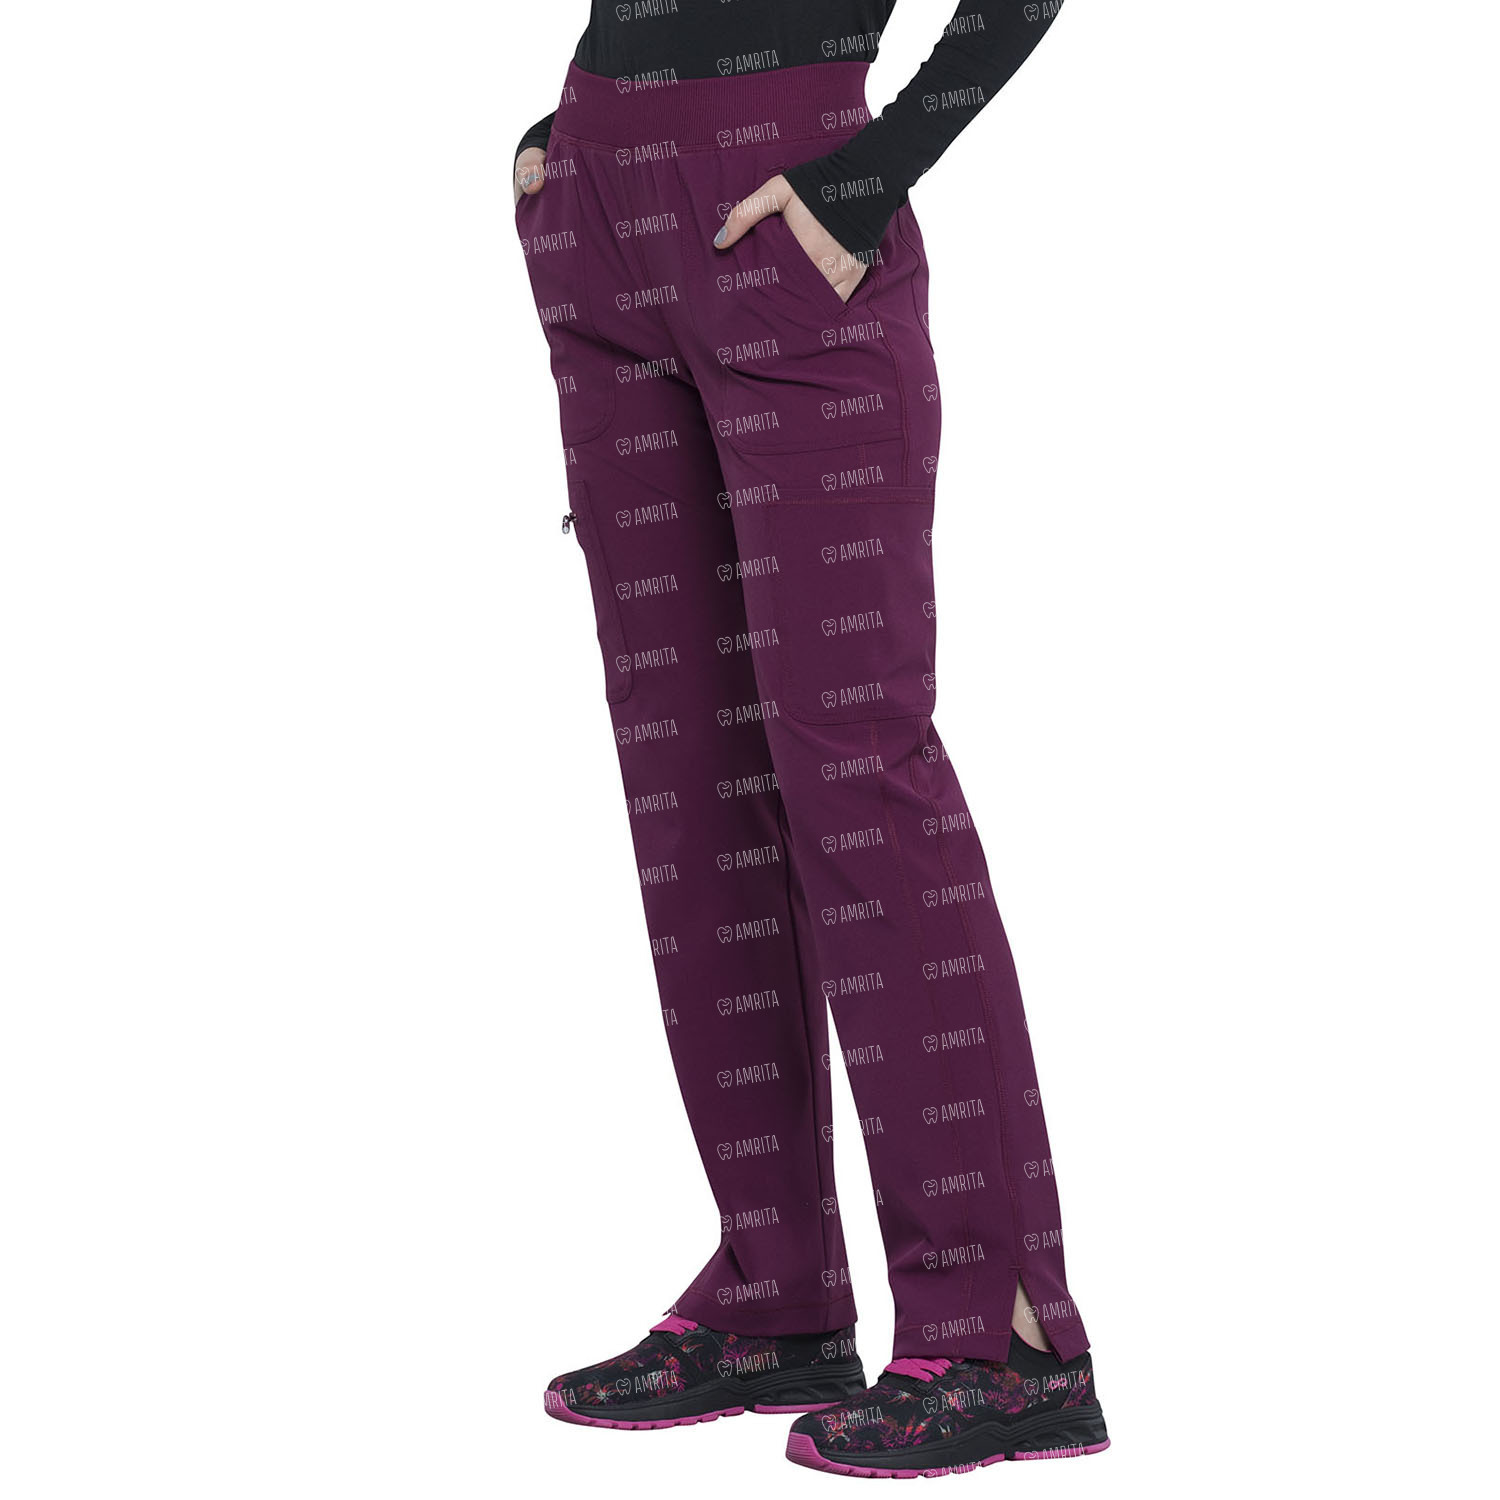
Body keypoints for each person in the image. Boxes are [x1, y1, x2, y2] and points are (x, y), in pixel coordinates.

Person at [514, 2, 1108, 1477]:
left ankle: (1004, 1335)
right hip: (600, 209)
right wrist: (563, 148)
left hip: (787, 201)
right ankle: (773, 1293)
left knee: (855, 771)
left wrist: (871, 174)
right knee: (688, 778)